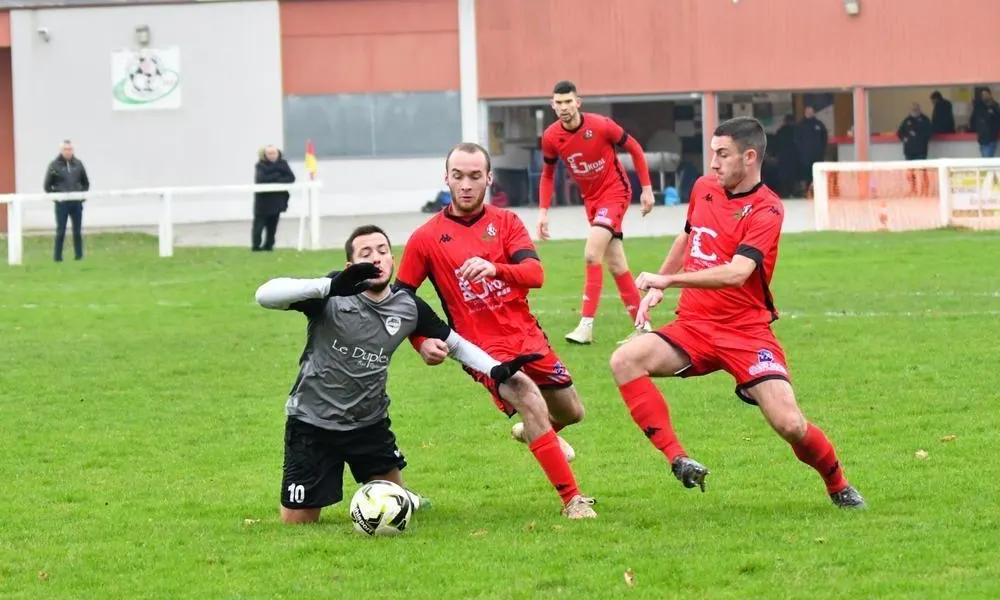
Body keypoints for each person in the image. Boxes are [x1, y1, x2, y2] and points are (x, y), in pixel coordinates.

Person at [608, 117, 866, 509]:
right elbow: (688, 236)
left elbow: (737, 273)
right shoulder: (703, 188)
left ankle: (839, 485)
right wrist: (660, 283)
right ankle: (678, 459)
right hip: (694, 326)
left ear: (749, 157)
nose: (713, 163)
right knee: (624, 360)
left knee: (789, 423)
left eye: (722, 154)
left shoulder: (767, 209)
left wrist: (670, 281)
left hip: (746, 332)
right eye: (712, 153)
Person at [255, 224, 543, 524]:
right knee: (297, 523)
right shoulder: (329, 293)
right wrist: (329, 286)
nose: (376, 258)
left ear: (392, 260)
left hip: (368, 424)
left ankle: (407, 497)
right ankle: (398, 496)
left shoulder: (407, 305)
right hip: (312, 422)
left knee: (395, 506)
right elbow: (264, 295)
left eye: (382, 251)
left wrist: (495, 369)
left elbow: (455, 344)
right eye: (366, 253)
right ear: (351, 266)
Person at [395, 142, 598, 520]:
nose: (466, 185)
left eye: (475, 176)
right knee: (528, 396)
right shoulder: (425, 238)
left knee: (572, 411)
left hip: (526, 335)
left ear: (489, 178)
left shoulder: (506, 223)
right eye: (458, 176)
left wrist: (496, 268)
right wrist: (420, 342)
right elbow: (400, 299)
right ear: (446, 178)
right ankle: (573, 500)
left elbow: (535, 274)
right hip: (480, 349)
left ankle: (534, 431)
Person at [537, 80, 655, 346]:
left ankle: (585, 326)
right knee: (616, 264)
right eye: (559, 102)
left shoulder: (602, 125)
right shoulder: (551, 137)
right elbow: (548, 174)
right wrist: (543, 212)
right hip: (591, 201)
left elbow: (635, 149)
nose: (564, 107)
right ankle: (644, 328)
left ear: (578, 103)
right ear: (552, 105)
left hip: (615, 193)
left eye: (569, 101)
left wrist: (647, 189)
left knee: (592, 254)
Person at [43, 140, 90, 262]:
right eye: (65, 149)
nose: (68, 152)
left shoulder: (78, 164)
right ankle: (58, 258)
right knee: (61, 231)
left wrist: (81, 197)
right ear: (61, 151)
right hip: (62, 204)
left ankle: (79, 257)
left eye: (70, 149)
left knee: (77, 231)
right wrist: (57, 197)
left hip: (76, 203)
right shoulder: (54, 165)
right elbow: (47, 186)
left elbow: (86, 183)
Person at [252, 145, 296, 252]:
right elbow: (261, 179)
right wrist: (277, 175)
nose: (272, 155)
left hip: (277, 201)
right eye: (269, 153)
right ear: (265, 155)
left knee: (272, 226)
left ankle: (269, 246)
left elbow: (291, 178)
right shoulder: (260, 165)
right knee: (259, 226)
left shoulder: (283, 164)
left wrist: (275, 178)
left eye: (274, 153)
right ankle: (256, 246)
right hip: (263, 202)